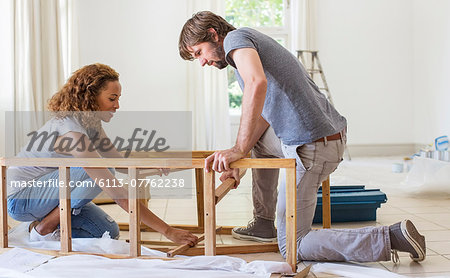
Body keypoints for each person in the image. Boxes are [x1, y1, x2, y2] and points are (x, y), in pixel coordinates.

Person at [178, 11, 426, 263]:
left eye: (198, 52)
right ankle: (263, 223)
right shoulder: (247, 43)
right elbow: (264, 116)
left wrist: (239, 149)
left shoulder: (235, 40)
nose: (201, 62)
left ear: (213, 34)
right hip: (322, 137)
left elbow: (257, 83)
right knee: (260, 142)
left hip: (312, 146)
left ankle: (393, 237)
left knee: (293, 246)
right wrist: (238, 158)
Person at [7, 63, 198, 246]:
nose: (117, 105)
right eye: (112, 98)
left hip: (49, 196)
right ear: (91, 97)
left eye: (118, 98)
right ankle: (44, 228)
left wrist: (154, 167)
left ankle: (32, 229)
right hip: (22, 199)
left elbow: (118, 161)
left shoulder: (91, 124)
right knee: (102, 169)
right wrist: (167, 231)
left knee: (105, 231)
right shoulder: (71, 130)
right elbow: (117, 192)